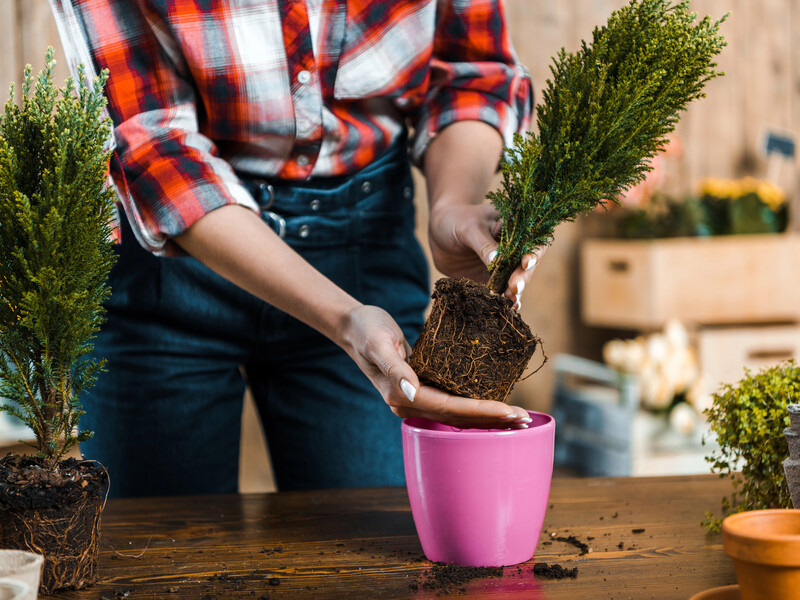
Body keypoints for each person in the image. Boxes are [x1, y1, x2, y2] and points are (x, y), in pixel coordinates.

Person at [50, 0, 540, 497]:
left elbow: (470, 73)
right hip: (169, 271)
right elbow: (155, 148)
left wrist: (452, 204)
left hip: (365, 250)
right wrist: (345, 320)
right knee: (164, 552)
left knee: (376, 548)